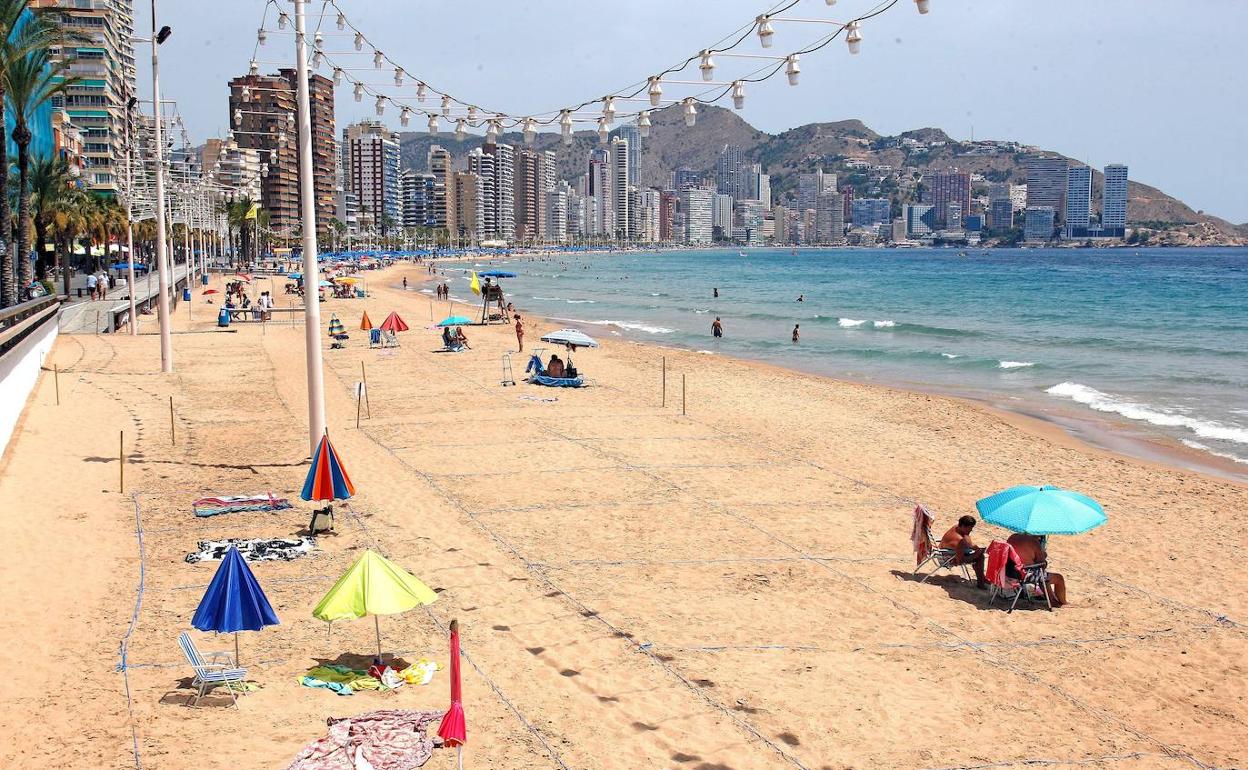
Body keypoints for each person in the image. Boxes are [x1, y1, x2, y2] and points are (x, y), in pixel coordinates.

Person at [1007, 532, 1067, 607]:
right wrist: (1043, 555)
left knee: (1042, 575)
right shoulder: (1033, 542)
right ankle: (1063, 602)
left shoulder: (1012, 537)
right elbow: (1042, 564)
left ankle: (1052, 599)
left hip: (1009, 571)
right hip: (1025, 574)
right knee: (1058, 578)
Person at [939, 515, 987, 589]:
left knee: (978, 554)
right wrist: (976, 554)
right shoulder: (959, 541)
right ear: (963, 526)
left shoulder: (956, 527)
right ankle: (981, 584)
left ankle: (982, 579)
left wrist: (976, 548)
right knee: (980, 557)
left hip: (943, 552)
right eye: (970, 528)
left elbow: (967, 539)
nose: (971, 530)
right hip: (947, 559)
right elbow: (960, 561)